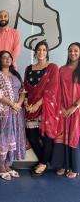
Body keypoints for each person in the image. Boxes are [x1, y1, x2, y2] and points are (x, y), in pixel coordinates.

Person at [0, 51, 26, 180]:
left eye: (9, 57)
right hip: (0, 113)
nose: (7, 59)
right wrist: (11, 104)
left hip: (15, 112)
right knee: (0, 139)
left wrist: (18, 104)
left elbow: (22, 91)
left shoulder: (15, 74)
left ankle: (8, 164)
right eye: (4, 58)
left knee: (11, 138)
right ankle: (0, 166)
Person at [24, 41, 61, 177]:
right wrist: (27, 103)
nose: (41, 52)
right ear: (35, 52)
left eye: (44, 50)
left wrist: (37, 105)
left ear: (47, 52)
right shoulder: (29, 68)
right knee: (32, 136)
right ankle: (44, 161)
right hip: (31, 107)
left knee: (46, 138)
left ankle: (43, 164)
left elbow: (52, 90)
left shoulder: (52, 68)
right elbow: (25, 88)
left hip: (46, 107)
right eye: (39, 49)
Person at [52, 42, 80, 178]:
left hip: (77, 110)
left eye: (75, 51)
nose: (72, 53)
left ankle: (74, 168)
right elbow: (56, 90)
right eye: (70, 51)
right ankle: (62, 165)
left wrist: (73, 108)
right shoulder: (61, 69)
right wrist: (62, 108)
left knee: (73, 137)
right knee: (61, 137)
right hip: (62, 110)